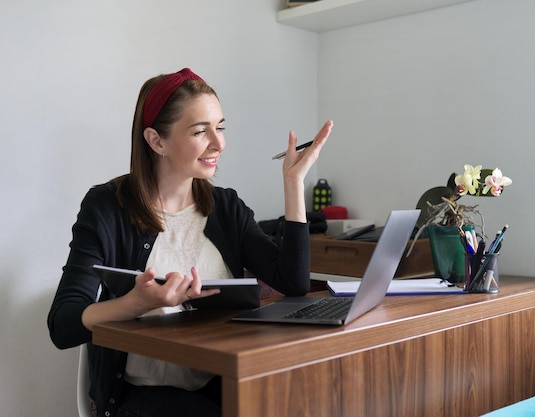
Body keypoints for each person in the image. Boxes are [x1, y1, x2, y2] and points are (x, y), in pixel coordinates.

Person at [47, 67, 333, 417]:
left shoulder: (226, 206)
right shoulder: (106, 207)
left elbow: (294, 282)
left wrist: (294, 183)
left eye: (220, 127)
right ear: (156, 141)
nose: (219, 143)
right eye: (201, 131)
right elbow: (62, 324)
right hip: (142, 397)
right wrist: (135, 303)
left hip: (220, 383)